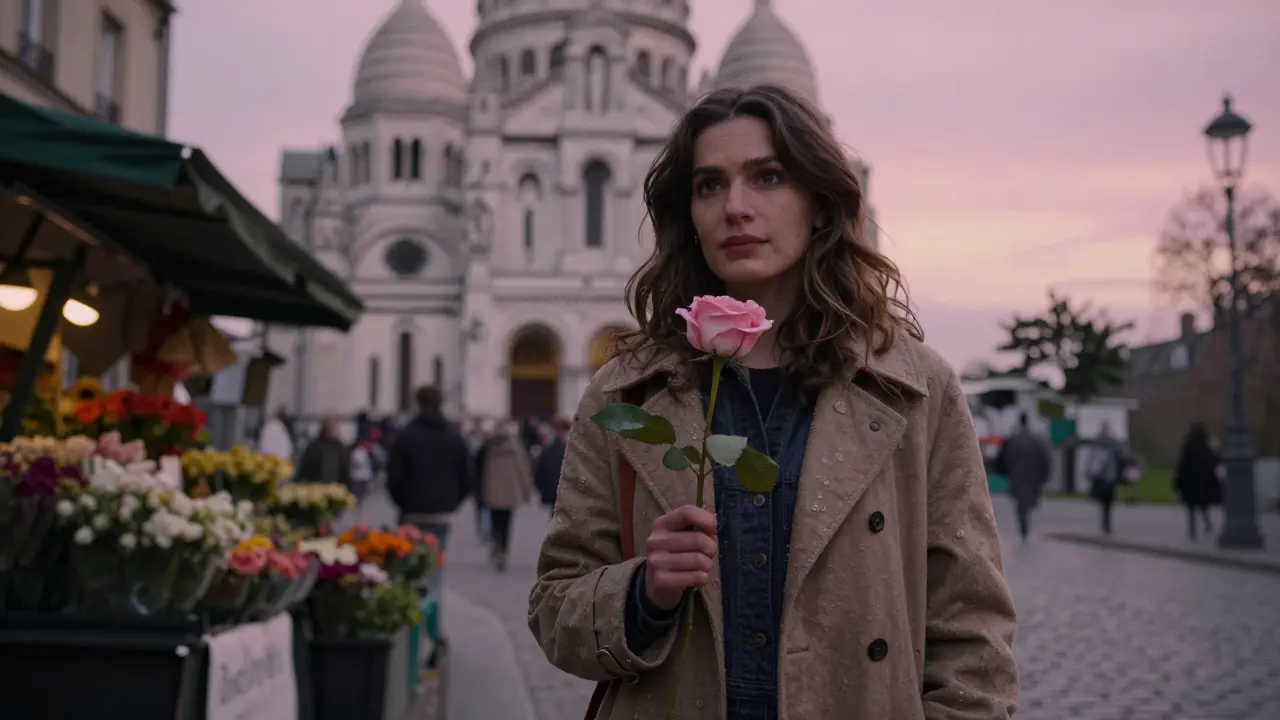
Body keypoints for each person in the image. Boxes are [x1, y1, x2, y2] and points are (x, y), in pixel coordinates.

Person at [528, 85, 1018, 719]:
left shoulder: (916, 390)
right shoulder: (624, 392)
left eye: (767, 177)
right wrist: (643, 593)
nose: (735, 207)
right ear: (689, 215)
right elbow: (554, 607)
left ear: (818, 203)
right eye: (709, 185)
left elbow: (971, 626)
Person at [387, 385, 472, 664]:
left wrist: (405, 502)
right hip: (441, 515)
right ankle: (432, 636)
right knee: (434, 575)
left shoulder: (407, 436)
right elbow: (466, 477)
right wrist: (451, 503)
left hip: (412, 514)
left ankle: (414, 634)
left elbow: (394, 478)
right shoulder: (454, 437)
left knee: (410, 574)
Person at [475, 420, 534, 571]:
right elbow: (523, 469)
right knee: (507, 523)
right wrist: (527, 490)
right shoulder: (515, 447)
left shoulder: (489, 446)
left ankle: (496, 544)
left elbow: (478, 468)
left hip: (492, 490)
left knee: (495, 521)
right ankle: (504, 550)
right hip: (510, 492)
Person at [995, 412, 1053, 540]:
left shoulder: (1013, 439)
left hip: (1017, 475)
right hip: (1033, 476)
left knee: (1021, 502)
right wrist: (1045, 475)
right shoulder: (1036, 440)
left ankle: (1023, 523)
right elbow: (1044, 459)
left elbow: (1004, 458)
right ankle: (1024, 522)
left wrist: (1006, 472)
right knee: (1028, 500)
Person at [1174, 422, 1222, 540]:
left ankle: (1192, 530)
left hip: (1190, 484)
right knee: (1204, 507)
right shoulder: (1206, 446)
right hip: (1204, 484)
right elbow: (1215, 461)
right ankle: (1207, 526)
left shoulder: (1188, 447)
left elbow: (1182, 466)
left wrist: (1178, 483)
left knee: (1191, 508)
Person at [1086, 422, 1134, 535]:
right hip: (1110, 477)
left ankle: (1105, 524)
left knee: (1105, 502)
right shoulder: (1114, 444)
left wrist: (1089, 472)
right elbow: (1124, 456)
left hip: (1102, 477)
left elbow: (1091, 461)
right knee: (1108, 503)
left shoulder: (1097, 444)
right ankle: (1106, 525)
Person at [534, 417, 570, 517]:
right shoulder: (551, 448)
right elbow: (542, 470)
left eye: (564, 429)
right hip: (556, 489)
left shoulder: (572, 446)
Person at [297, 419, 350, 486]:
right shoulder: (315, 447)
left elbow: (345, 469)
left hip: (336, 487)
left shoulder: (340, 448)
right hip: (316, 487)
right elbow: (306, 467)